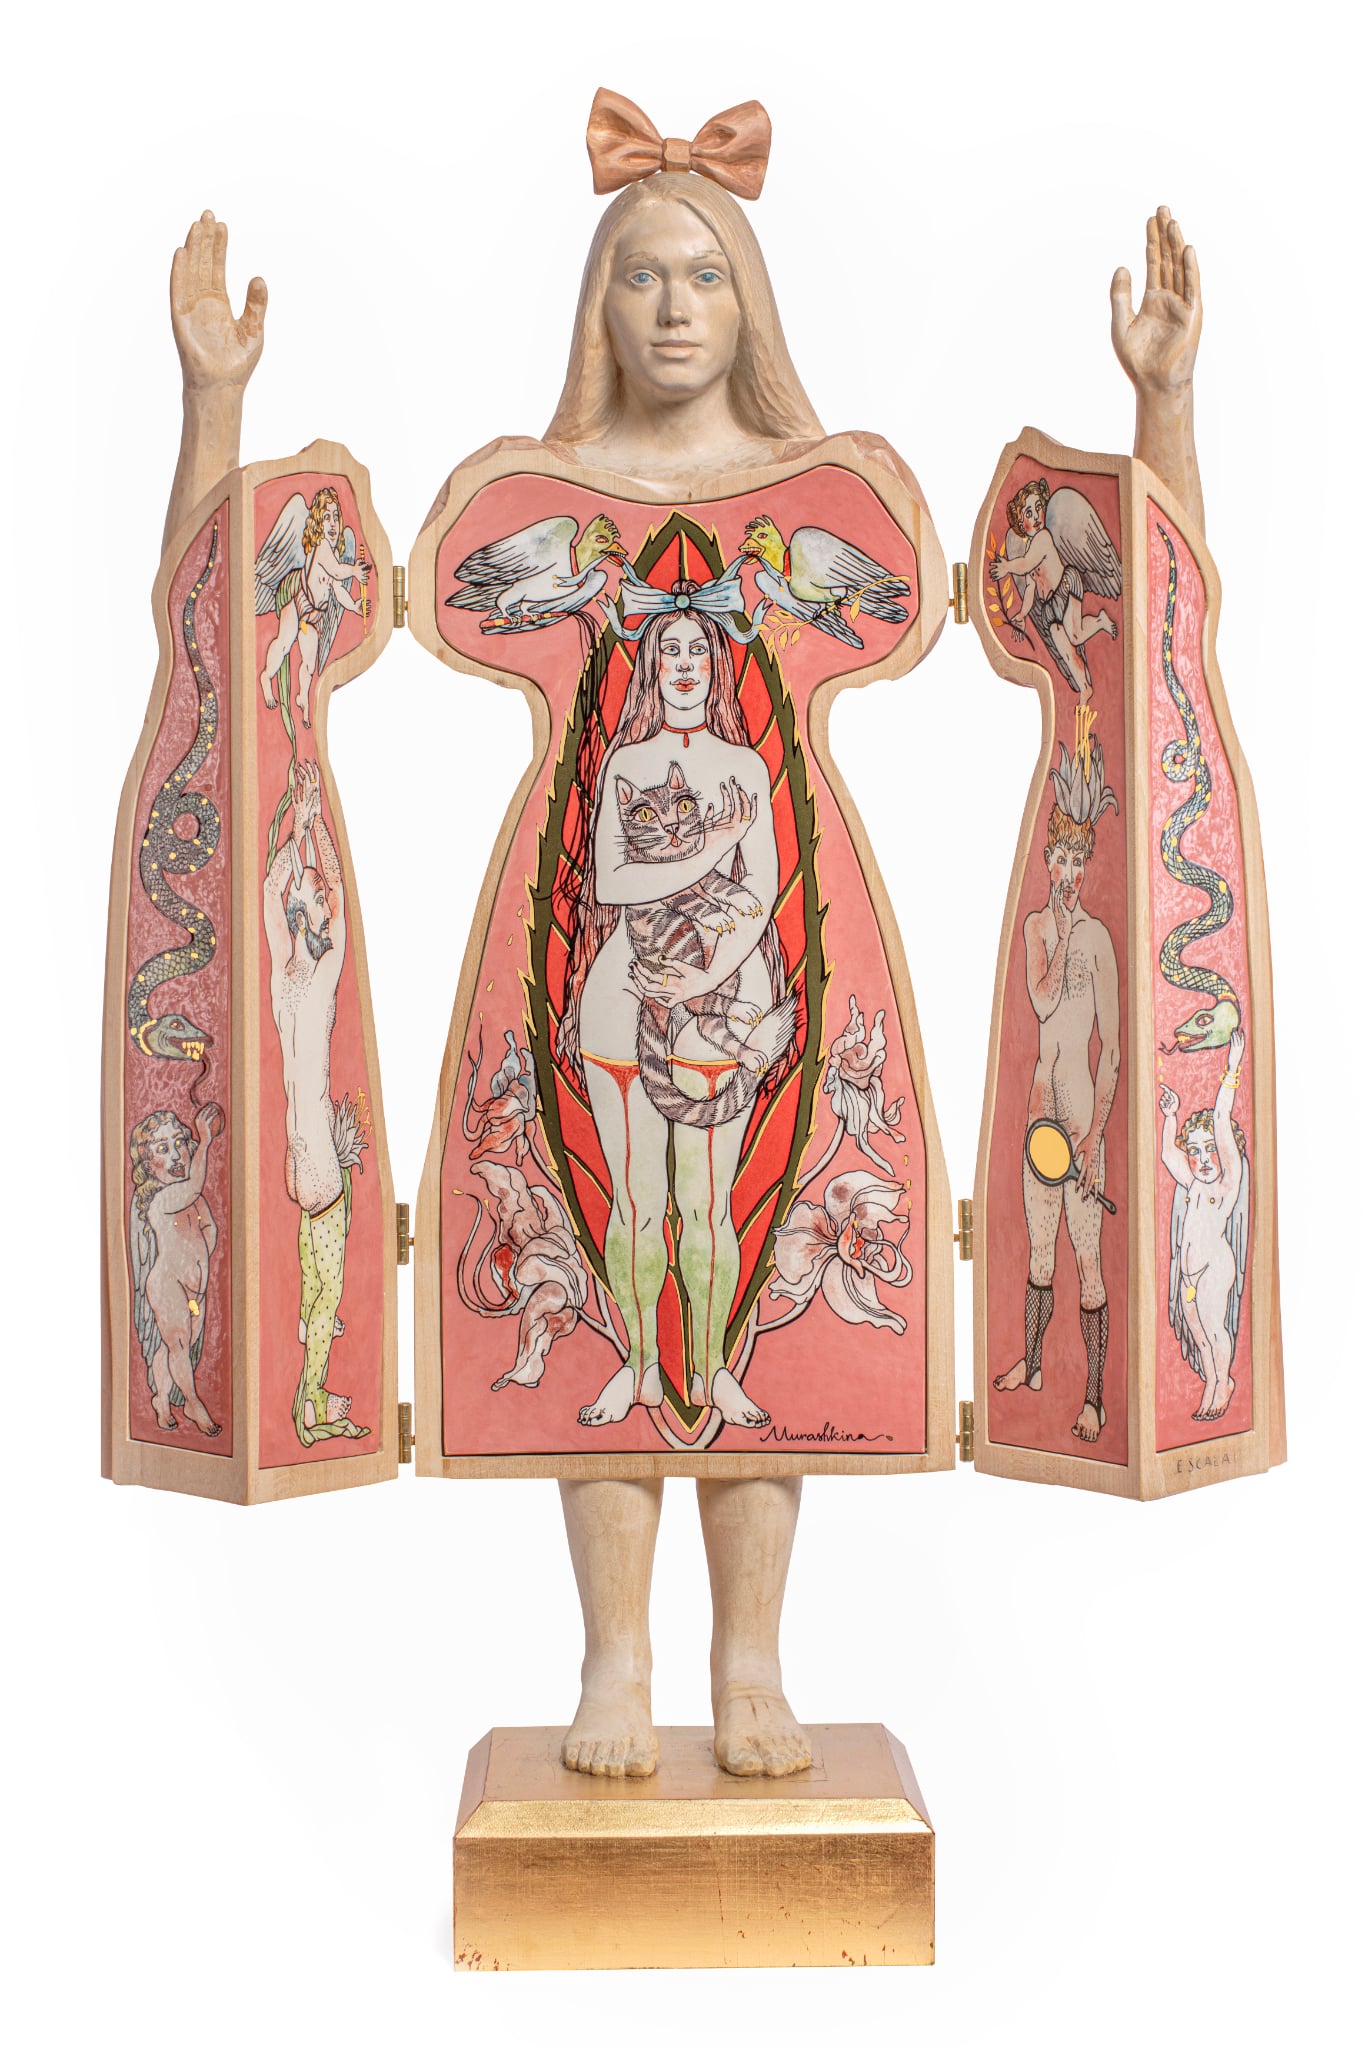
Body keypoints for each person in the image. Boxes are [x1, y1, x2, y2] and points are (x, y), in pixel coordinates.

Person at [993, 751, 1120, 1442]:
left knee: (1087, 1263)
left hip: (1080, 1120)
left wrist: (1094, 1139)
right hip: (1039, 1117)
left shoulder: (1098, 941)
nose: (1069, 874)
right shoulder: (1038, 930)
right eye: (1061, 860)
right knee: (1040, 1254)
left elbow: (1113, 1051)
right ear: (1046, 861)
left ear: (1086, 866)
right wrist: (1060, 930)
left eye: (1079, 863)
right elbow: (1041, 1005)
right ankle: (1034, 1364)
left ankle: (1094, 1397)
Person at [262, 757, 368, 1444]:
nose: (319, 893)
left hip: (310, 1163)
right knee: (321, 1294)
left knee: (320, 1290)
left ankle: (311, 1382)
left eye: (314, 894)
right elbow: (297, 889)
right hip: (315, 1169)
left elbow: (299, 887)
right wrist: (308, 822)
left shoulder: (302, 972)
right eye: (315, 895)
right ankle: (311, 1396)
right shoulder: (305, 968)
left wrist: (307, 826)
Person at [1159, 1025, 1249, 1421]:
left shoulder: (1227, 1184)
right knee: (1198, 1332)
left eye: (1211, 1148)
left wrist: (1232, 1066)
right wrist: (1171, 1116)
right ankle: (1212, 1380)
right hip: (1189, 1275)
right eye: (1195, 1151)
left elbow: (1221, 1117)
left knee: (1214, 1329)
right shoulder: (1193, 1183)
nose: (1204, 1158)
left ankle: (1223, 1382)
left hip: (1214, 1268)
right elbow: (1168, 1154)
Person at [129, 1102, 224, 1437]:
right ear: (148, 1164)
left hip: (193, 1288)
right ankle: (193, 1402)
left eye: (180, 1143)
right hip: (167, 1284)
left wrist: (199, 1258)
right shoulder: (162, 1200)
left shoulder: (191, 1199)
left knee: (173, 1347)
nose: (175, 1155)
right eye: (163, 1149)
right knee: (179, 1345)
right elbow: (195, 1185)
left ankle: (161, 1398)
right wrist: (205, 1140)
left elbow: (209, 1226)